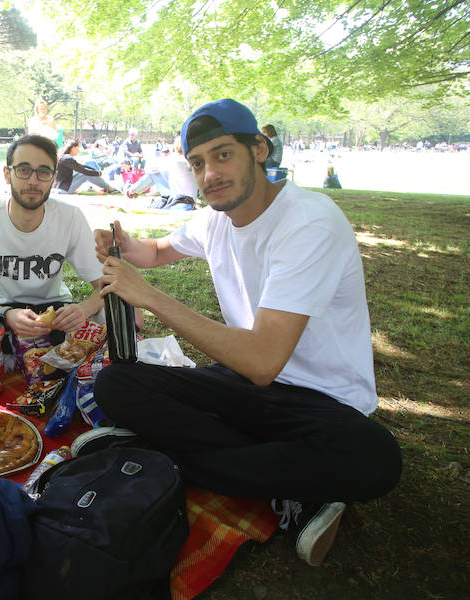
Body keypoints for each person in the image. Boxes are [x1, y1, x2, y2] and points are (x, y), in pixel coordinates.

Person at [86, 99, 401, 567]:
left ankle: (166, 456)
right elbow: (155, 252)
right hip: (245, 389)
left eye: (223, 155)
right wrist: (127, 245)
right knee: (115, 381)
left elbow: (262, 361)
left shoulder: (309, 221)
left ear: (258, 149)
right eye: (197, 163)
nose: (209, 173)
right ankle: (284, 480)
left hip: (321, 403)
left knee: (375, 457)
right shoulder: (216, 218)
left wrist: (149, 297)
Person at [0, 134, 105, 354]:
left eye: (43, 172)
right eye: (23, 170)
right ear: (8, 174)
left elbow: (103, 285)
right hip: (0, 311)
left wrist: (83, 309)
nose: (33, 181)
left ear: (53, 178)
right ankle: (38, 350)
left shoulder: (70, 217)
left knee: (117, 316)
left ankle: (13, 351)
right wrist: (6, 315)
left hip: (52, 313)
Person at [54, 140, 120, 195]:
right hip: (63, 190)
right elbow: (83, 171)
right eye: (78, 148)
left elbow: (80, 166)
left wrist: (95, 171)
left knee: (86, 173)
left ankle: (108, 188)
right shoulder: (67, 158)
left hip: (62, 187)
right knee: (85, 174)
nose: (78, 150)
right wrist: (98, 173)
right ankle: (108, 188)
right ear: (73, 148)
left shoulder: (64, 157)